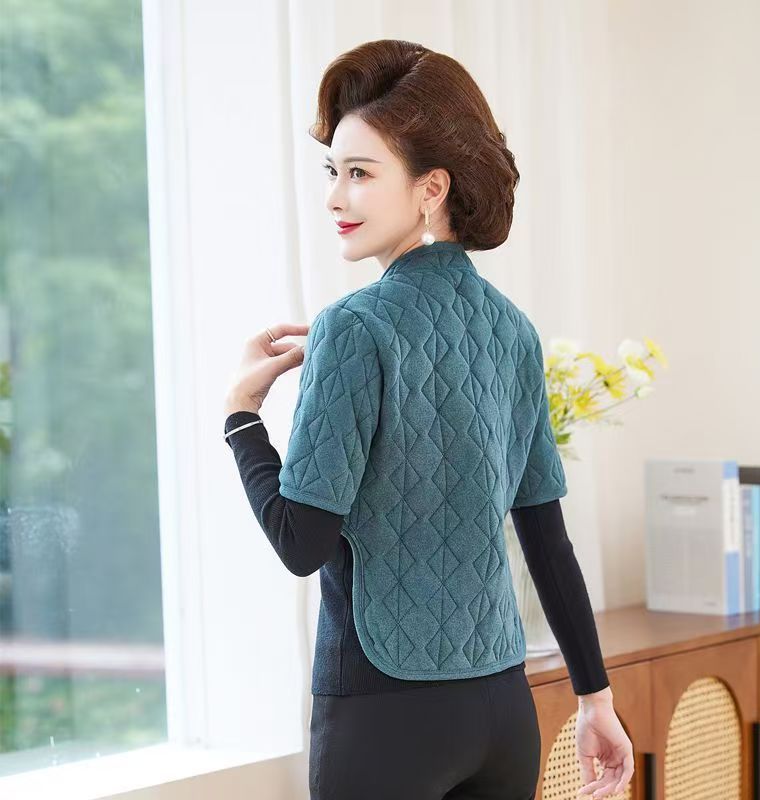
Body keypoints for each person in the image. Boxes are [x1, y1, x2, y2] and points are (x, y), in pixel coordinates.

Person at [223, 38, 634, 800]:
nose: (335, 198)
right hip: (503, 714)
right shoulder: (513, 331)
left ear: (430, 189)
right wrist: (595, 699)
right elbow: (546, 538)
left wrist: (241, 418)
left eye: (359, 174)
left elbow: (301, 543)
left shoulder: (354, 327)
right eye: (332, 172)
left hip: (384, 719)